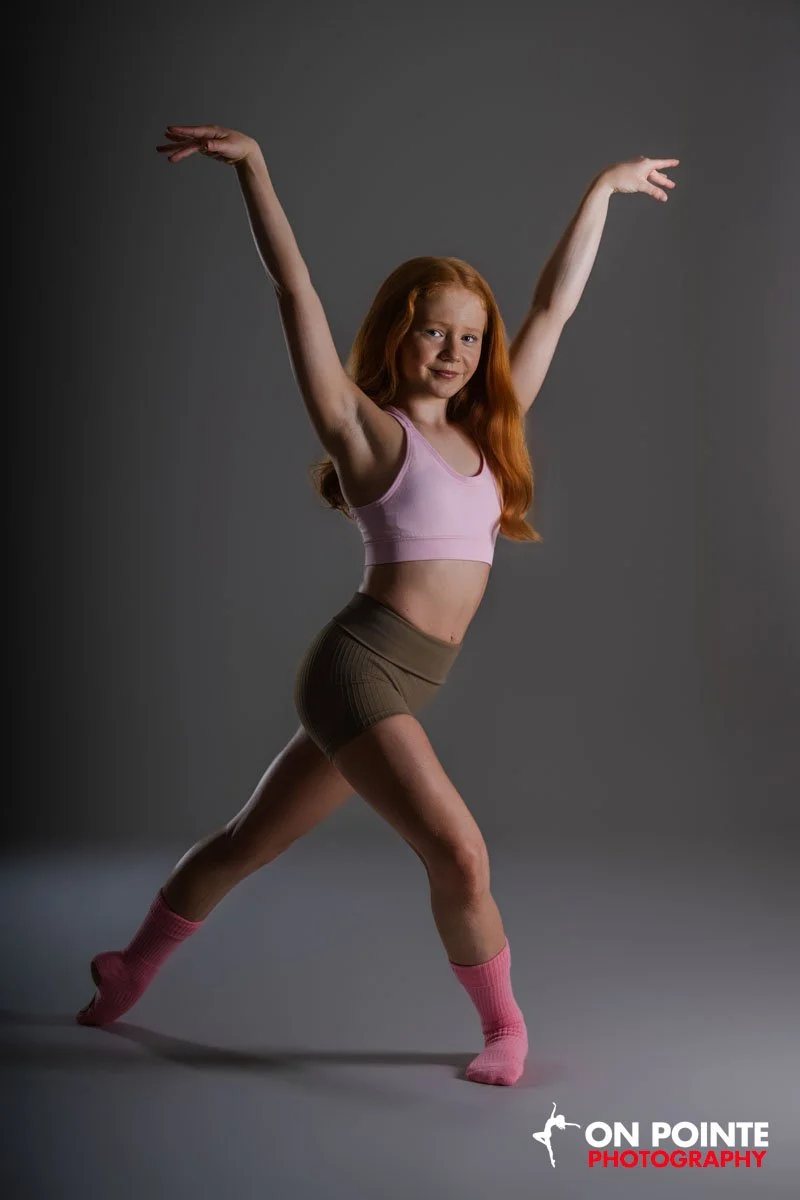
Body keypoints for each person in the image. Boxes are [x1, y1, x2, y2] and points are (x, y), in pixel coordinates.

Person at [76, 124, 678, 1087]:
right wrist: (258, 171)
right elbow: (296, 294)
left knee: (242, 845)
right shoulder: (367, 432)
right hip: (359, 669)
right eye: (434, 329)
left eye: (469, 336)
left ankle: (129, 965)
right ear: (398, 331)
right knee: (459, 851)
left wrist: (604, 188)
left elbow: (553, 305)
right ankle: (505, 1029)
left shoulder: (493, 425)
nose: (454, 349)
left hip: (404, 679)